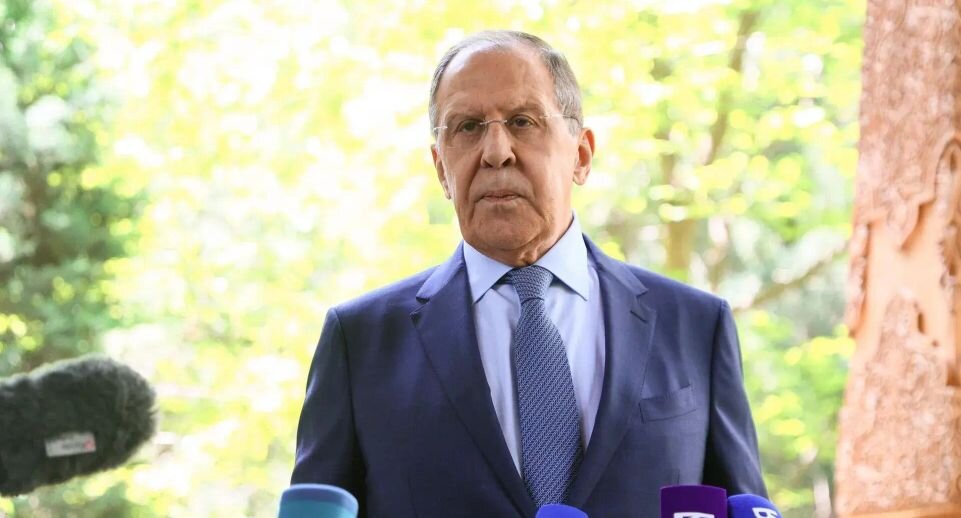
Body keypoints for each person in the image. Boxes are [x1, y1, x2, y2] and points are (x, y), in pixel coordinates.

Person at [291, 30, 766, 517]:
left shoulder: (695, 326)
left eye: (523, 122)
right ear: (440, 168)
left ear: (581, 155)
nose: (496, 151)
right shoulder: (361, 343)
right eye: (468, 127)